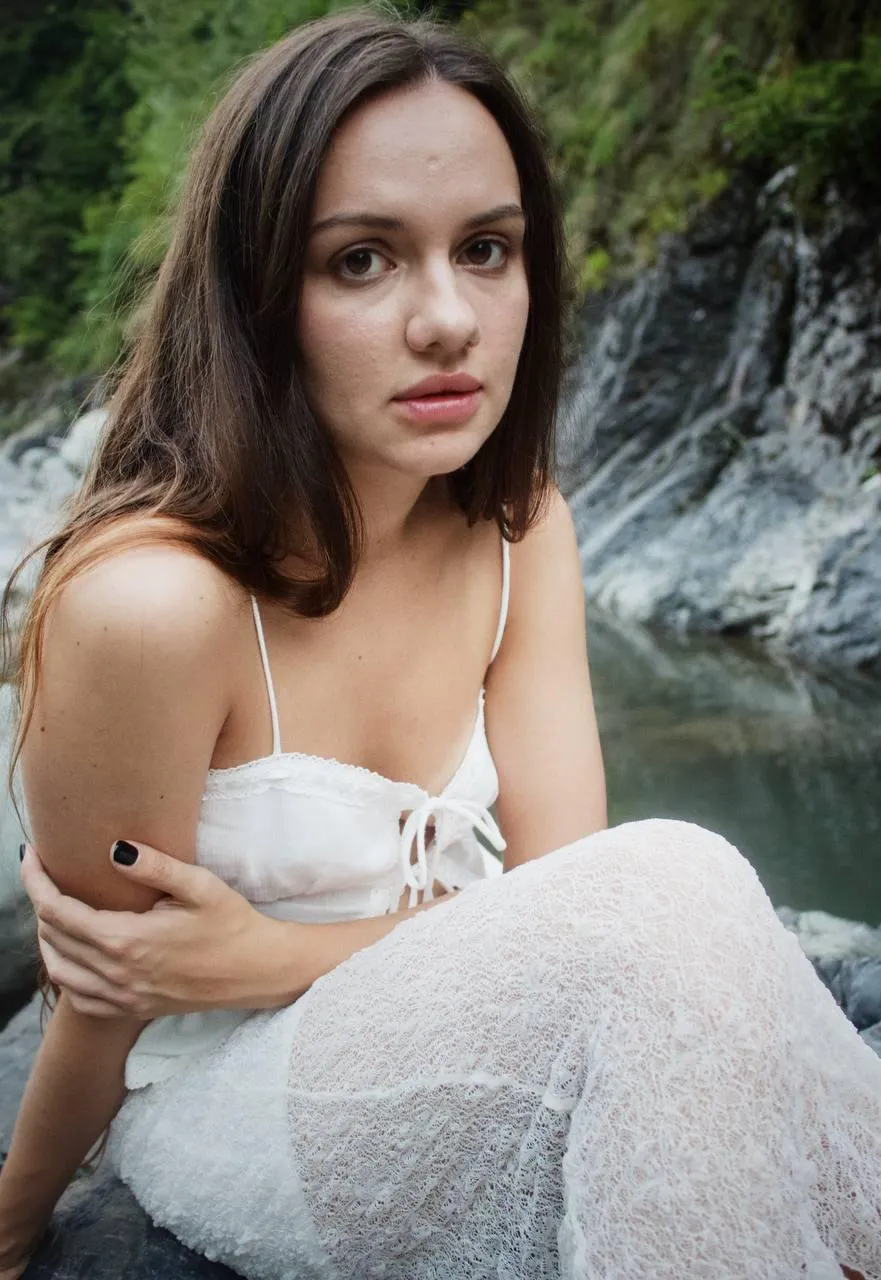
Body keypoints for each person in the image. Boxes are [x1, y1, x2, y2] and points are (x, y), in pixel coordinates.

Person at [1, 9, 880, 1278]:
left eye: (485, 249)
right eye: (360, 261)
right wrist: (17, 1228)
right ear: (257, 295)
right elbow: (101, 990)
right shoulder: (150, 608)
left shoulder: (520, 530)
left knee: (683, 931)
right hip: (229, 1113)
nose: (446, 319)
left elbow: (564, 904)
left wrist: (274, 952)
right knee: (682, 883)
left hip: (465, 1034)